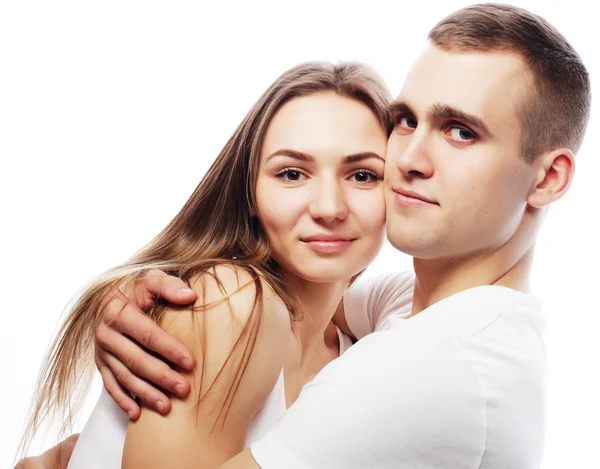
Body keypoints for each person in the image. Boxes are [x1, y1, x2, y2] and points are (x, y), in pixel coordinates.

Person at [20, 3, 591, 468]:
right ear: (248, 188)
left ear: (548, 177)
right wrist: (131, 290)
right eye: (408, 121)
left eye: (461, 132)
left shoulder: (437, 356)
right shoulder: (277, 309)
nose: (412, 159)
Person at [18, 62, 400, 469]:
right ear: (250, 194)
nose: (329, 207)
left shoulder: (363, 348)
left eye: (362, 175)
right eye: (291, 174)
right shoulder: (231, 302)